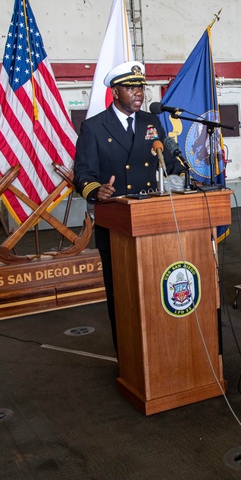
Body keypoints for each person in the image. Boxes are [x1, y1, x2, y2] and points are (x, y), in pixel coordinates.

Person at [73, 60, 173, 355]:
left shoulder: (150, 123)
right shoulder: (93, 127)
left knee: (155, 288)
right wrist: (97, 190)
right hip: (116, 223)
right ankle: (128, 355)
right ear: (115, 92)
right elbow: (82, 175)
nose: (138, 92)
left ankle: (158, 348)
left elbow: (164, 156)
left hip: (151, 220)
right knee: (122, 293)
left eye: (140, 87)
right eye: (131, 87)